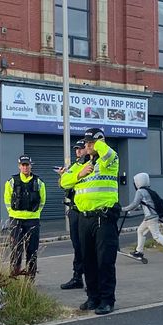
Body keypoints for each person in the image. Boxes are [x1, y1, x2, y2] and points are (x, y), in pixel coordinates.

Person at [60, 127, 120, 315]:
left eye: (90, 143)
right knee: (88, 261)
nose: (87, 146)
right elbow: (64, 182)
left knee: (105, 261)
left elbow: (107, 153)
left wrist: (98, 143)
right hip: (84, 219)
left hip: (103, 217)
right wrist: (80, 173)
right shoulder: (81, 165)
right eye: (86, 143)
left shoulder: (109, 160)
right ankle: (93, 297)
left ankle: (107, 300)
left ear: (101, 142)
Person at [121, 172, 163, 264]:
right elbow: (143, 206)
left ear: (138, 182)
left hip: (151, 218)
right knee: (140, 231)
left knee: (156, 236)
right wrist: (132, 209)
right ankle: (139, 252)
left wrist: (122, 209)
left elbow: (134, 204)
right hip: (151, 217)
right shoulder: (149, 191)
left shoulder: (140, 191)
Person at [4, 154, 46, 278]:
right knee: (16, 249)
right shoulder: (11, 181)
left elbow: (42, 200)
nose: (25, 168)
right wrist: (12, 214)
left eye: (27, 165)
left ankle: (30, 278)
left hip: (33, 220)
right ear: (19, 166)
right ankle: (14, 276)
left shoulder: (38, 182)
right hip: (16, 220)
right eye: (23, 165)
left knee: (32, 250)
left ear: (30, 166)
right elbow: (7, 199)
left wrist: (35, 214)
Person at [59, 139, 88, 290]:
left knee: (86, 246)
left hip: (85, 211)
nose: (78, 151)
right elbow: (63, 183)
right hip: (74, 210)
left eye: (81, 148)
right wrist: (68, 176)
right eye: (76, 149)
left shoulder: (89, 164)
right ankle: (77, 277)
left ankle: (89, 278)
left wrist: (71, 177)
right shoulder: (75, 166)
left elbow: (69, 180)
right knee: (77, 245)